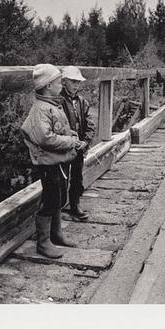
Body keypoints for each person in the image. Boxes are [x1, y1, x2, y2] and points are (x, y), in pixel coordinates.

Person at [21, 64, 87, 259]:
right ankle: (43, 243)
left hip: (57, 161)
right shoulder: (41, 108)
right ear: (49, 85)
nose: (62, 85)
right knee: (50, 201)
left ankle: (56, 234)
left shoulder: (52, 104)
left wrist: (71, 134)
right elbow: (45, 138)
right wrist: (69, 141)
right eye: (59, 82)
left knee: (59, 197)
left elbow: (56, 129)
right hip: (48, 164)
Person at [59, 66, 94, 221]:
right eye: (73, 81)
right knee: (61, 178)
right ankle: (58, 208)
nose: (76, 85)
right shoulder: (57, 101)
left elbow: (90, 124)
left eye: (78, 82)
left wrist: (86, 141)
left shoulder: (82, 102)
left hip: (78, 147)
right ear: (64, 81)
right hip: (63, 148)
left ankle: (75, 204)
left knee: (77, 177)